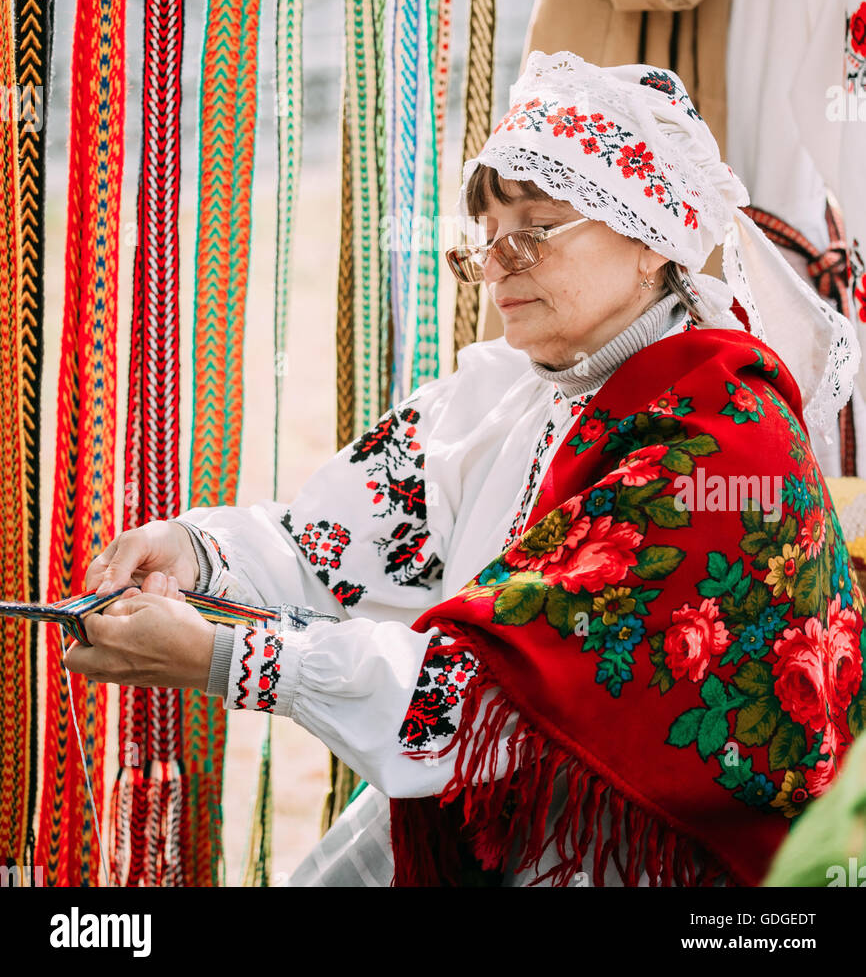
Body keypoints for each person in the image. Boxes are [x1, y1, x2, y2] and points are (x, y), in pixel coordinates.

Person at [71, 52, 865, 887]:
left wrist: (226, 659)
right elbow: (325, 553)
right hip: (511, 814)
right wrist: (192, 551)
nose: (496, 266)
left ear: (648, 239)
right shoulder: (503, 396)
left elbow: (490, 700)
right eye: (484, 242)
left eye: (531, 231)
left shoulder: (719, 441)